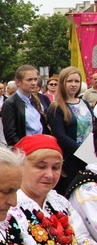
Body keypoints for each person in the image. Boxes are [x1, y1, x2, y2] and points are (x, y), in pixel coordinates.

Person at [13, 135, 97, 245]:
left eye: (56, 167)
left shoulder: (58, 202)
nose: (50, 175)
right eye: (41, 166)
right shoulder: (11, 207)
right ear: (19, 166)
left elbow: (82, 237)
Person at [47, 66, 94, 194]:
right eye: (70, 81)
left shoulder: (84, 103)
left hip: (90, 157)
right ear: (63, 83)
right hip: (70, 160)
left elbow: (93, 127)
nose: (73, 85)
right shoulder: (56, 107)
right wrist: (82, 152)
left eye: (77, 81)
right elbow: (60, 136)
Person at [1, 64, 49, 146]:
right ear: (18, 82)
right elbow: (10, 135)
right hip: (25, 150)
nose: (34, 83)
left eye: (35, 79)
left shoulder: (36, 100)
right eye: (29, 80)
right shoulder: (10, 103)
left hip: (41, 146)